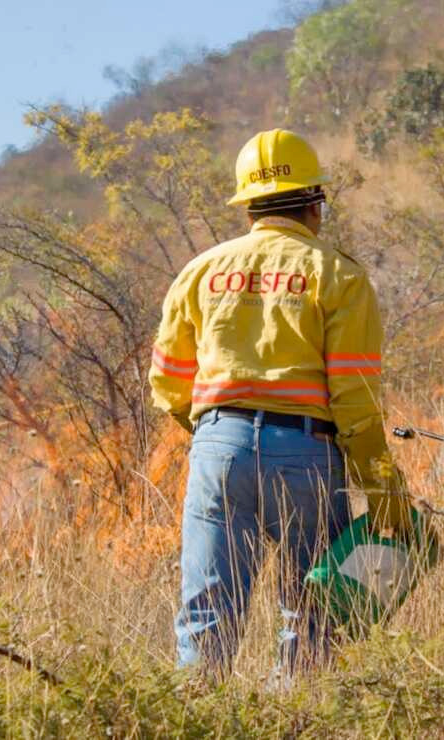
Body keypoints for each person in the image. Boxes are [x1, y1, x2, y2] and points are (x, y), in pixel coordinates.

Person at [149, 129, 411, 678]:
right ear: (315, 204)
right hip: (308, 455)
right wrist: (385, 491)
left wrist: (216, 435)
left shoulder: (199, 271)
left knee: (207, 617)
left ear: (246, 207)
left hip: (219, 448)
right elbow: (355, 403)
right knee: (313, 619)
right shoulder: (338, 273)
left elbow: (169, 384)